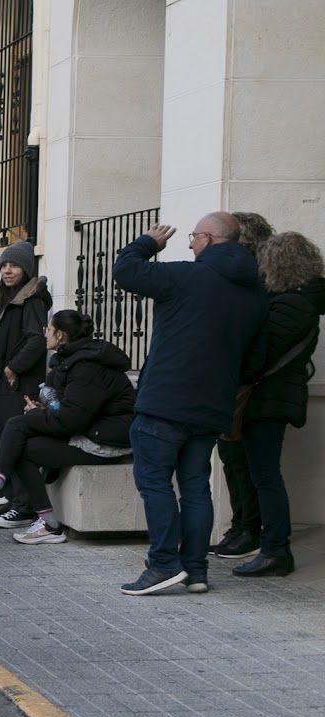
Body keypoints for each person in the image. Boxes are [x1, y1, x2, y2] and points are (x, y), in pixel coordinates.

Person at [112, 213, 267, 596]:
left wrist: (147, 243)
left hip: (166, 400)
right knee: (195, 486)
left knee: (154, 481)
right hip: (212, 406)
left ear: (211, 239)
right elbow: (255, 359)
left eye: (195, 236)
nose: (190, 243)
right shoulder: (256, 293)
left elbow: (125, 271)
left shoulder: (185, 275)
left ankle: (164, 564)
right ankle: (195, 569)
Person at [0, 310, 136, 544]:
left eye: (48, 329)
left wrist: (39, 414)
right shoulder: (68, 359)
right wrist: (42, 407)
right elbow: (68, 406)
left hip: (106, 443)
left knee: (17, 425)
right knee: (22, 443)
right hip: (88, 433)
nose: (44, 333)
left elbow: (72, 419)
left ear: (60, 335)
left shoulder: (88, 366)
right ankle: (47, 523)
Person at [230, 232, 324, 578]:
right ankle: (271, 546)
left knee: (266, 476)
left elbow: (258, 357)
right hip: (267, 399)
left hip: (268, 402)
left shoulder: (292, 305)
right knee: (262, 474)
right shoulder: (294, 302)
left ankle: (275, 550)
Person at [0, 241, 50, 528]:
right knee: (0, 439)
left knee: (12, 443)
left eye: (13, 265)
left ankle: (23, 506)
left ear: (26, 268)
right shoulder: (3, 297)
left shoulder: (32, 300)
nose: (7, 270)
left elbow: (37, 340)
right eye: (3, 265)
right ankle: (9, 501)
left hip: (18, 384)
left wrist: (13, 367)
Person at [210, 211, 276, 561]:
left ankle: (248, 528)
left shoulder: (254, 281)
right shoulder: (243, 277)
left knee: (243, 464)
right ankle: (240, 526)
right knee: (232, 461)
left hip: (246, 388)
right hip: (233, 386)